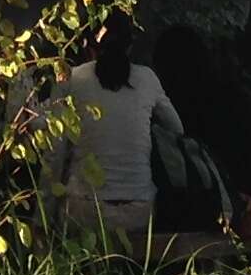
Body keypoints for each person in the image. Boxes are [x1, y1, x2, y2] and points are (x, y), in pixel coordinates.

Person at [53, 16, 178, 239]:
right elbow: (177, 129)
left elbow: (55, 151)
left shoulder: (72, 79)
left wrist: (42, 212)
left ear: (89, 45)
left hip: (84, 209)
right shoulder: (147, 78)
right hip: (139, 209)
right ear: (130, 45)